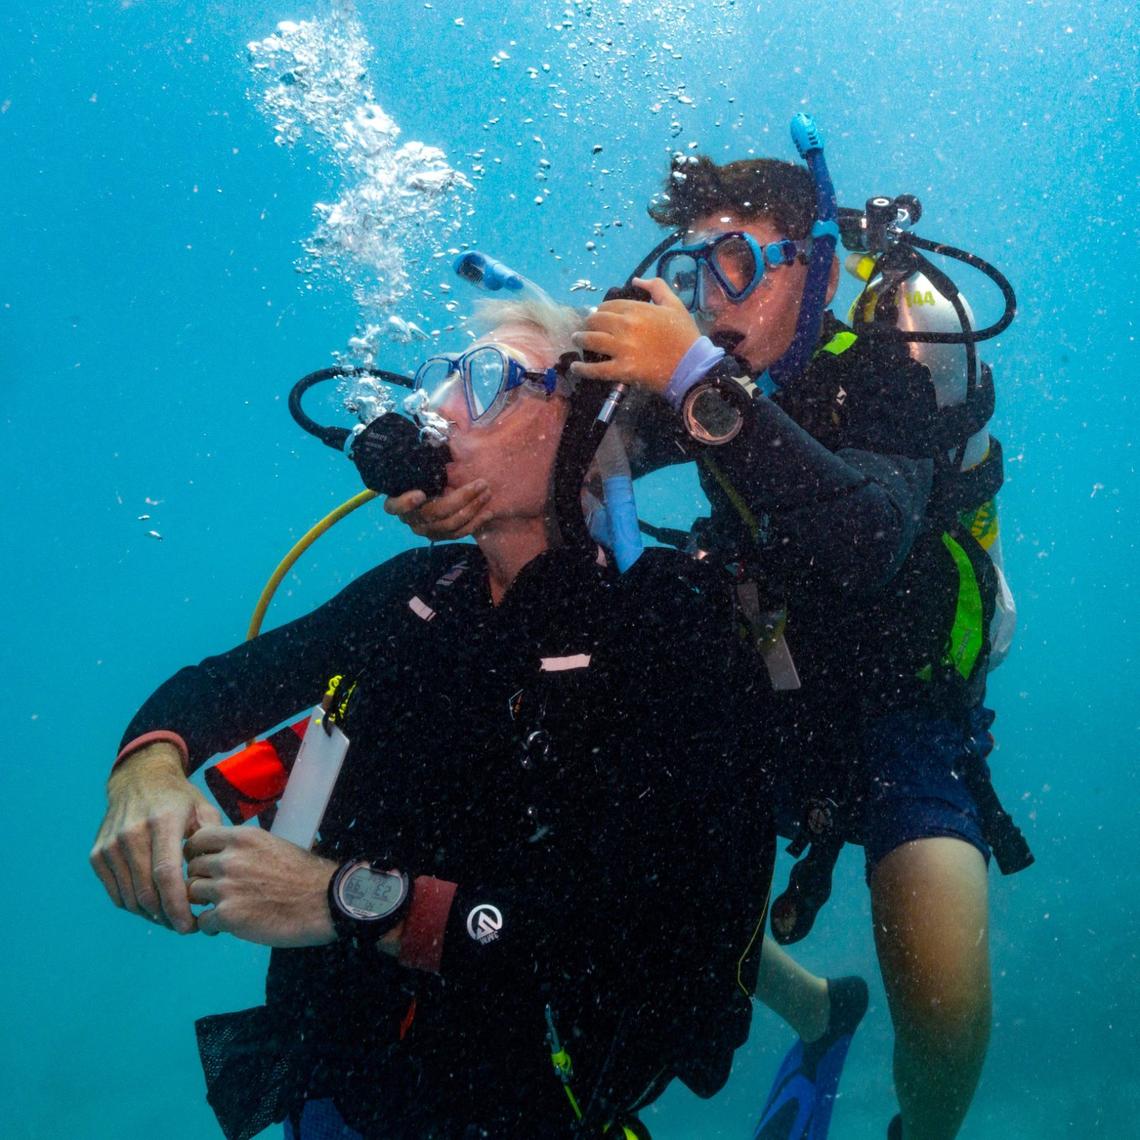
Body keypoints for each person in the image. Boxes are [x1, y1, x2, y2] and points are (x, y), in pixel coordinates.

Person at [90, 297, 779, 1140]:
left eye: (487, 381)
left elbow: (635, 954)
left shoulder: (670, 629)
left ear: (590, 427)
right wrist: (148, 771)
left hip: (528, 1102)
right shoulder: (423, 592)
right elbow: (222, 686)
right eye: (442, 378)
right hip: (345, 1079)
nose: (441, 408)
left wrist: (344, 901)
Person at [566, 152, 1025, 1140]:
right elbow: (577, 467)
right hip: (760, 667)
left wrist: (694, 374)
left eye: (738, 262)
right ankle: (820, 1011)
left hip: (905, 701)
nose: (709, 300)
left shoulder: (897, 346)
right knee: (610, 846)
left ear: (816, 264)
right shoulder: (716, 364)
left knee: (944, 1010)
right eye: (693, 271)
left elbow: (867, 540)